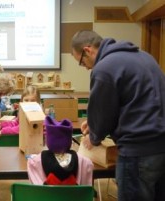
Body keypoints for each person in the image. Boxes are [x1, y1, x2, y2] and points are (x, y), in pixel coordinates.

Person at [71, 30, 165, 201]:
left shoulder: (104, 68)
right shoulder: (145, 57)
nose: (86, 67)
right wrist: (95, 124)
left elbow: (103, 112)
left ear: (88, 50)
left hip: (137, 151)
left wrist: (94, 136)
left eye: (82, 62)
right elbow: (134, 102)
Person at [27, 115, 93, 185]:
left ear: (48, 140)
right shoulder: (85, 163)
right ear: (69, 140)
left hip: (46, 195)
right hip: (74, 195)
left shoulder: (34, 163)